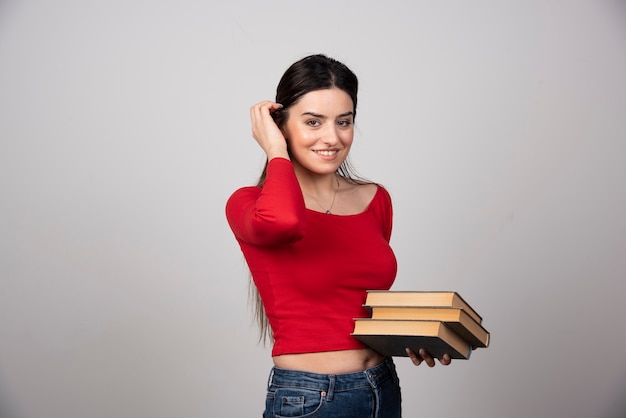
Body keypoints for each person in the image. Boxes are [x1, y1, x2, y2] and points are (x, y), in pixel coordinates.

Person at [225, 54, 451, 418]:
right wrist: (274, 150)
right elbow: (284, 222)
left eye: (343, 122)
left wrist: (413, 336)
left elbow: (360, 303)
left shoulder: (375, 199)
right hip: (312, 397)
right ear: (280, 125)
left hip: (382, 386)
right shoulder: (249, 204)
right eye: (313, 122)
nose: (331, 138)